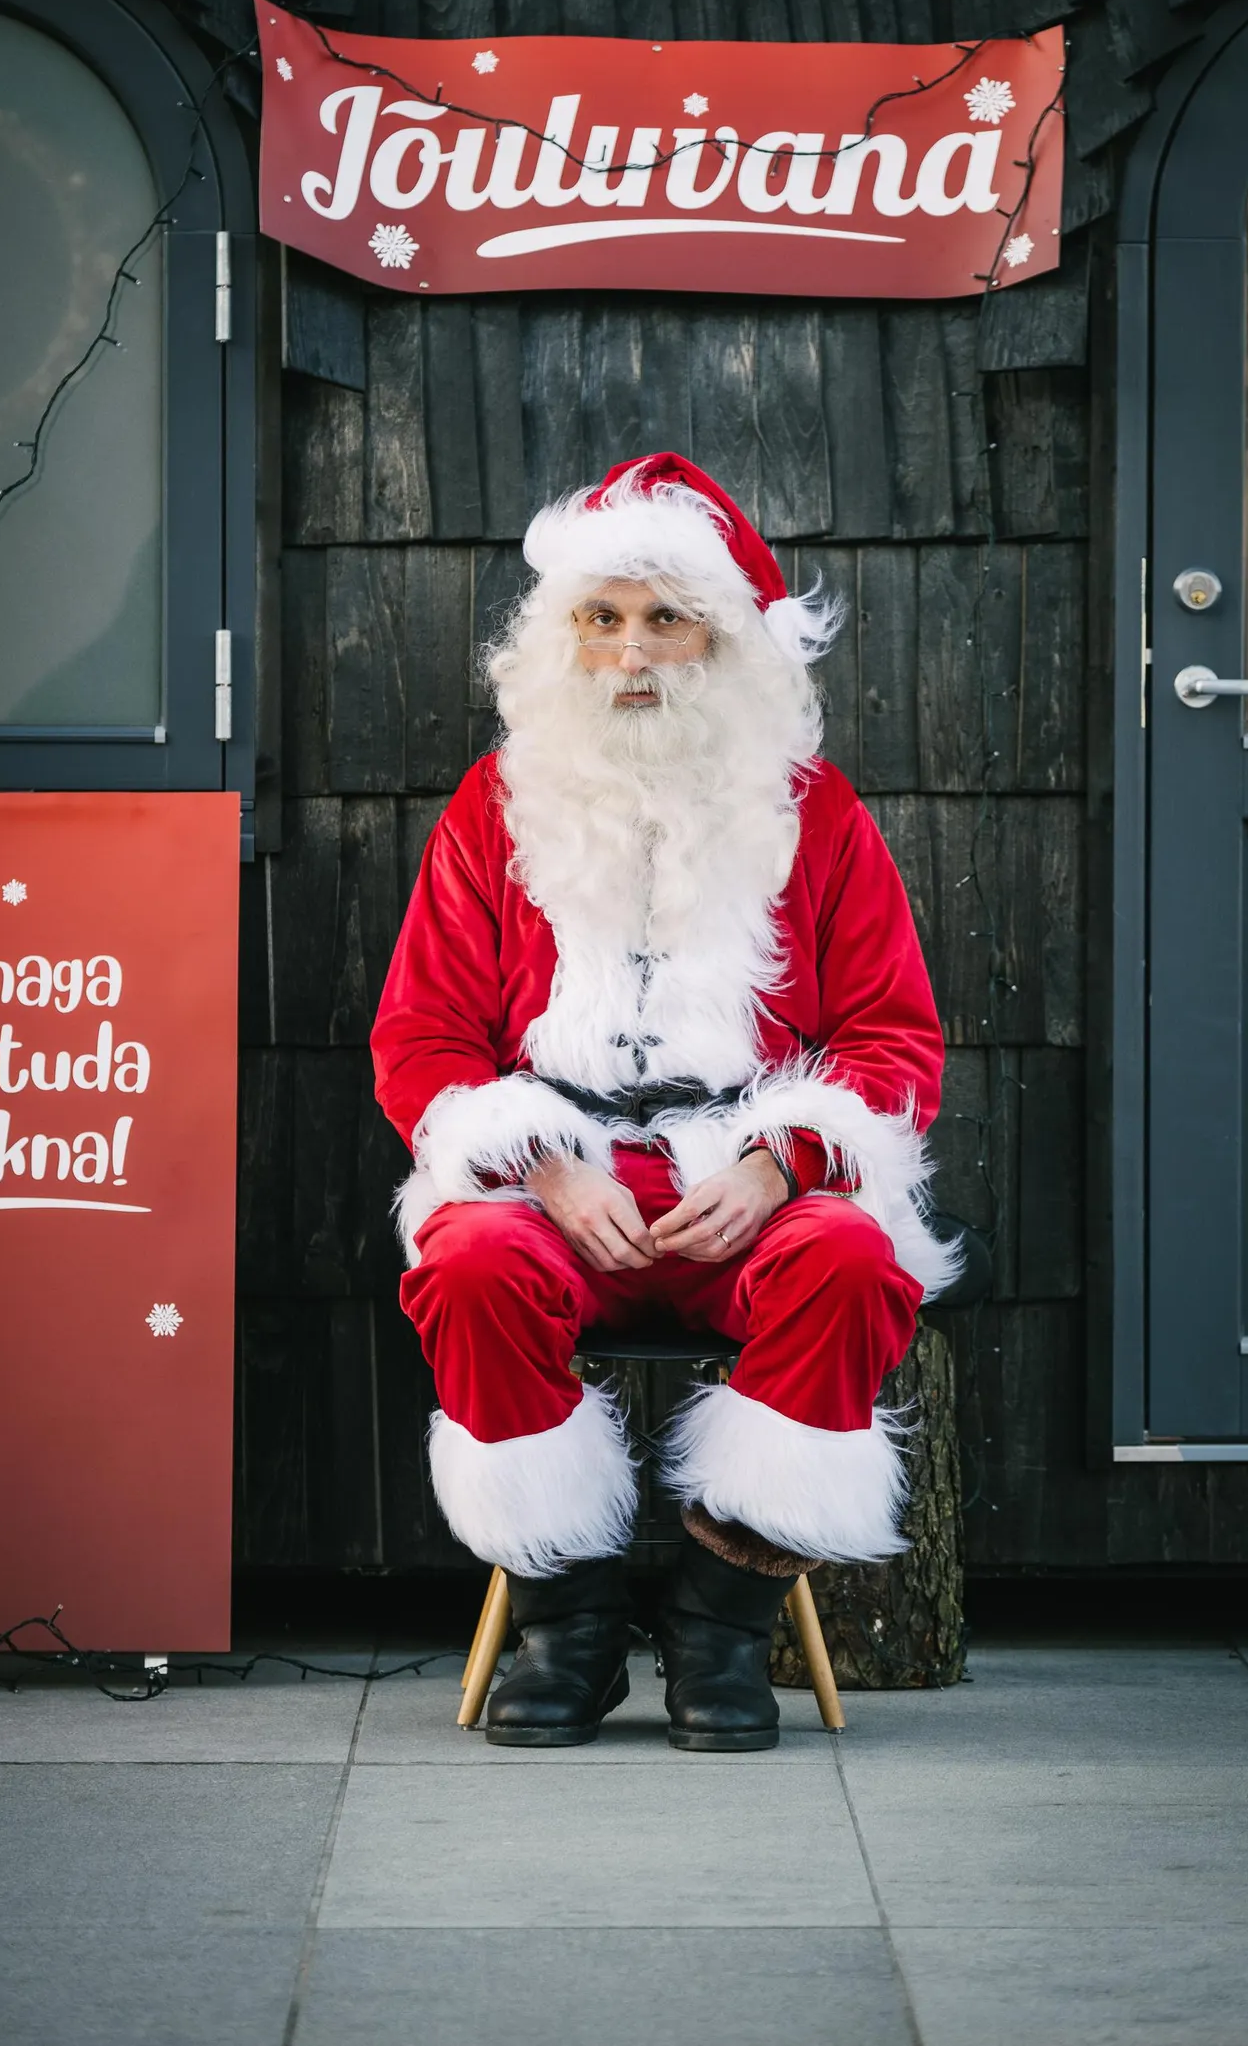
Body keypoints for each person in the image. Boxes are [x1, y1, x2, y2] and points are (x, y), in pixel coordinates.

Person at [371, 452, 954, 1752]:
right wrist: (537, 1163)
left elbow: (889, 1033)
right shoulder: (490, 807)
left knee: (853, 1260)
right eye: (600, 618)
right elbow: (419, 1037)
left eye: (664, 619)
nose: (631, 653)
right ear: (560, 639)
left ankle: (717, 1618)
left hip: (742, 1168)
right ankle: (566, 1627)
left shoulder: (816, 813)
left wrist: (779, 1161)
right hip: (553, 1166)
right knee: (466, 1267)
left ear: (726, 641)